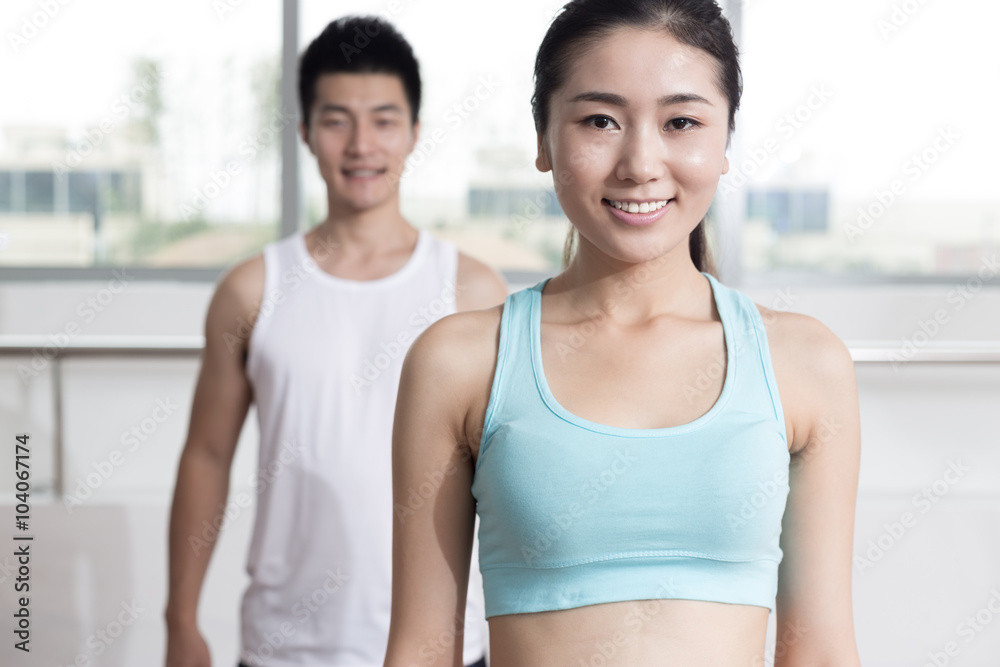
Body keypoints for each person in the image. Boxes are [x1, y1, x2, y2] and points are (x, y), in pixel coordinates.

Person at [384, 0, 862, 665]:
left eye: (682, 122)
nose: (640, 162)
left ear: (725, 143)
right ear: (545, 140)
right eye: (599, 120)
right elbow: (421, 648)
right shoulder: (459, 362)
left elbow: (821, 649)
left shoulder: (807, 364)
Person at [164, 15, 505, 667]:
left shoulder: (472, 289)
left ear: (413, 133)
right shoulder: (251, 289)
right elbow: (206, 455)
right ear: (304, 132)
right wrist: (180, 618)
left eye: (383, 119)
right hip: (283, 647)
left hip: (443, 648)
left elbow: (506, 479)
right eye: (335, 119)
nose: (360, 144)